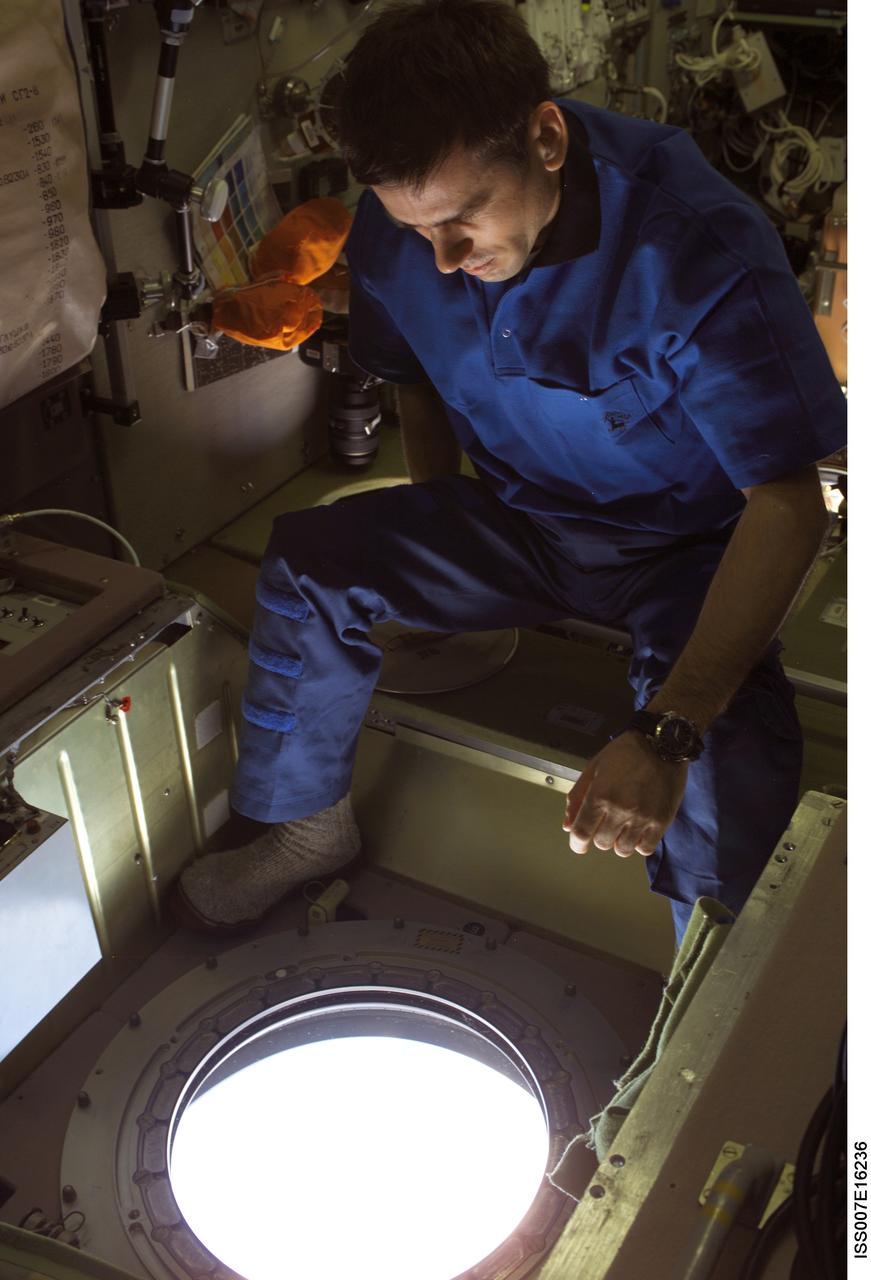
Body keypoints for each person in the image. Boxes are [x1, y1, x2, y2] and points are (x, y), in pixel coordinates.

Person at [174, 0, 846, 942]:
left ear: (544, 137)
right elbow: (414, 381)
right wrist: (438, 539)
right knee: (307, 562)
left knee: (730, 771)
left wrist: (667, 731)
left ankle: (711, 972)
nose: (442, 261)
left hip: (686, 552)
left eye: (460, 221)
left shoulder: (697, 249)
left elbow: (786, 503)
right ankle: (303, 831)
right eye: (416, 232)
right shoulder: (393, 234)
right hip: (520, 524)